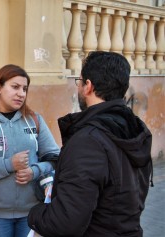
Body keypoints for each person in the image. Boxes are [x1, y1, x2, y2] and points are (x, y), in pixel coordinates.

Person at [28, 51, 153, 237]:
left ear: (88, 86)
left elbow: (65, 224)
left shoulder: (88, 141)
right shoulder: (134, 128)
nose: (78, 87)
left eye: (79, 81)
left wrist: (35, 213)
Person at [0, 64, 60, 237]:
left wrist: (34, 171)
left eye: (25, 89)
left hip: (31, 212)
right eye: (15, 87)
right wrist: (8, 164)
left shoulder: (34, 120)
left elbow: (55, 159)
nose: (21, 93)